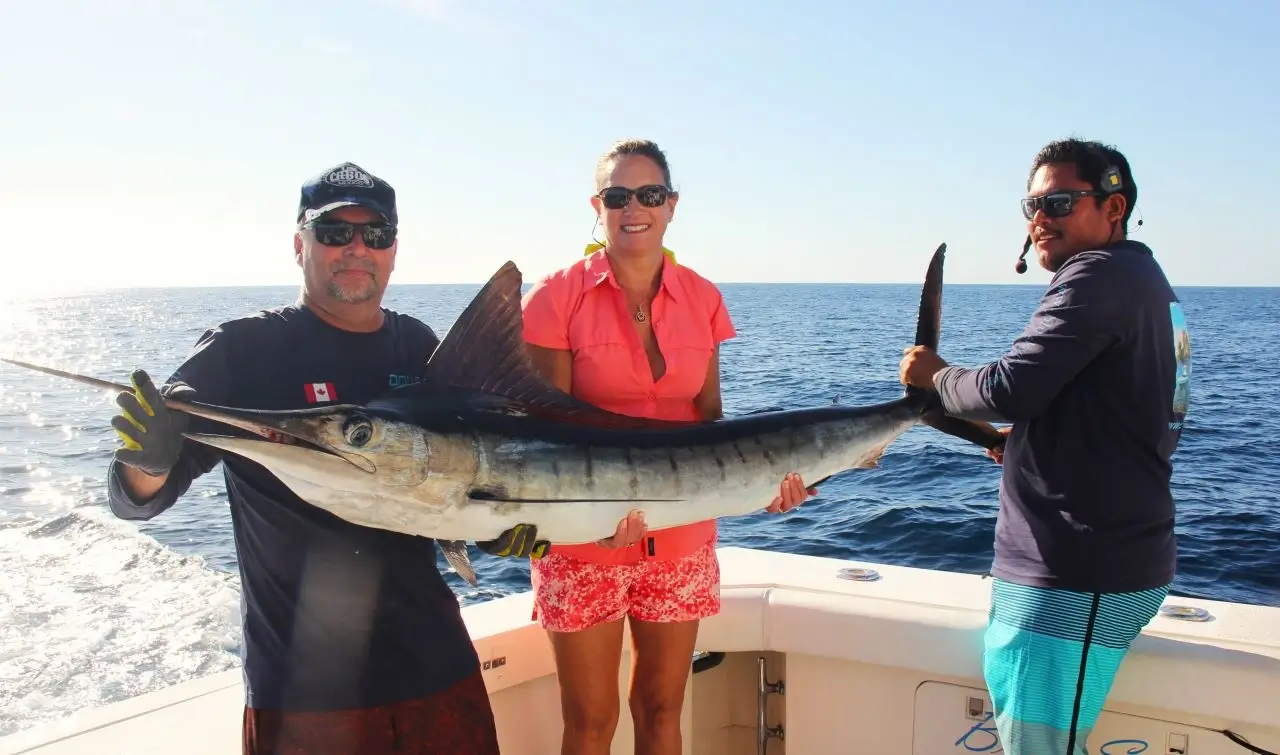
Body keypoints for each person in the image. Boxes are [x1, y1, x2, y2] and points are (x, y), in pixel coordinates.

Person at [105, 161, 540, 755]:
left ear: (393, 250)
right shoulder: (245, 348)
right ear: (298, 244)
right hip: (305, 692)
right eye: (334, 233)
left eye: (375, 234)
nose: (356, 249)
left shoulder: (419, 346)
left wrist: (492, 527)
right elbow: (138, 498)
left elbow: (471, 480)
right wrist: (148, 458)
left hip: (434, 664)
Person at [518, 138, 816, 755]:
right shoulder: (554, 297)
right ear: (596, 206)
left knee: (662, 708)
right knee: (590, 721)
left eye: (650, 194)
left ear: (672, 205)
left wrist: (769, 486)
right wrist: (595, 524)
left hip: (680, 539)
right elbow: (551, 438)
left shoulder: (703, 298)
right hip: (583, 544)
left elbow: (710, 423)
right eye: (618, 195)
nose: (635, 208)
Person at [899, 138, 1188, 754]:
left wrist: (935, 377)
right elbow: (1127, 410)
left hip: (1076, 577)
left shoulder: (1099, 275)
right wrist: (1032, 442)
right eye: (1031, 204)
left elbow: (1010, 388)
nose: (1040, 218)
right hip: (1091, 567)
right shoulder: (1145, 281)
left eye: (1060, 200)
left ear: (1114, 207)